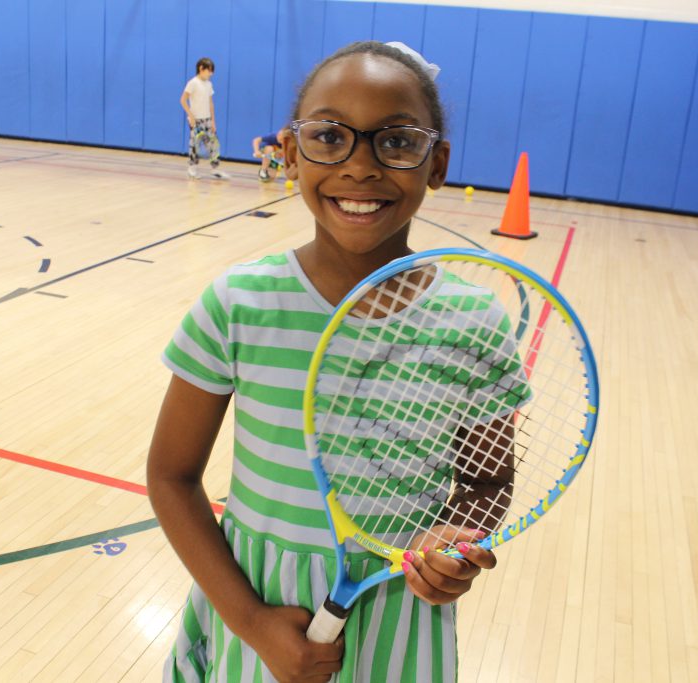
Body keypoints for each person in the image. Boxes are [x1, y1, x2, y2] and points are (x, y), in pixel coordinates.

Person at [148, 41, 495, 682]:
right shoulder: (238, 304)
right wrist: (251, 623)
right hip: (254, 609)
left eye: (395, 142)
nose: (360, 168)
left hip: (398, 616)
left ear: (437, 163)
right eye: (330, 136)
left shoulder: (474, 323)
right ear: (288, 152)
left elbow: (486, 483)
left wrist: (456, 543)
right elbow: (170, 477)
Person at [180, 57, 229, 180]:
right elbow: (183, 100)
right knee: (194, 145)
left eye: (212, 71)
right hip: (196, 121)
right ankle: (192, 169)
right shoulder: (193, 83)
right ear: (201, 69)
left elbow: (210, 103)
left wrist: (213, 121)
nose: (211, 74)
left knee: (213, 145)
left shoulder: (209, 84)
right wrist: (191, 116)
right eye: (209, 71)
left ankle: (215, 169)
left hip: (207, 120)